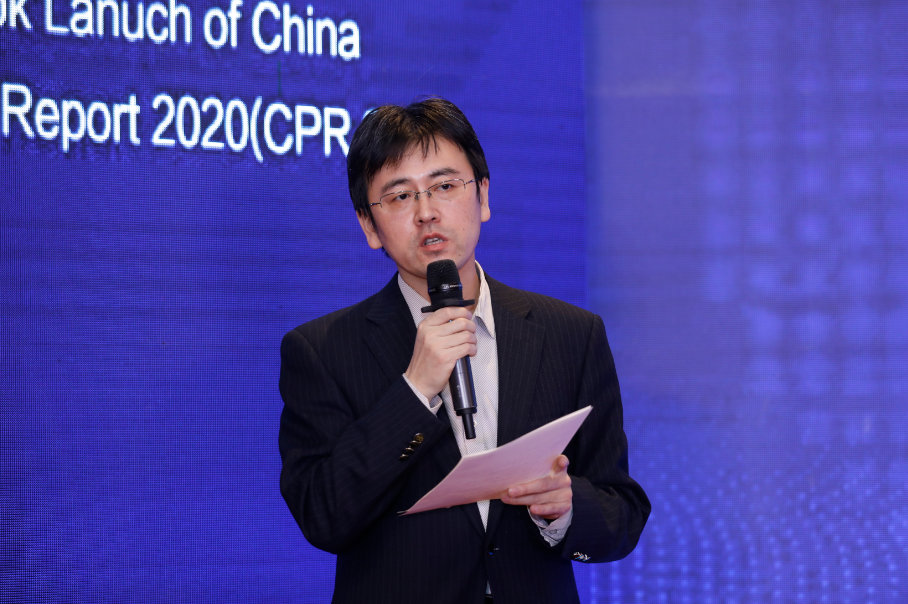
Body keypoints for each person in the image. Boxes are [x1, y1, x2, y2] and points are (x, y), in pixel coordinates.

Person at [279, 97, 649, 603]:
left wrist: (565, 509)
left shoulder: (571, 333)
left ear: (483, 196)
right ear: (369, 225)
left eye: (445, 186)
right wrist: (414, 392)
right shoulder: (321, 350)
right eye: (400, 196)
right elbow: (323, 517)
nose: (427, 212)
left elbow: (622, 513)